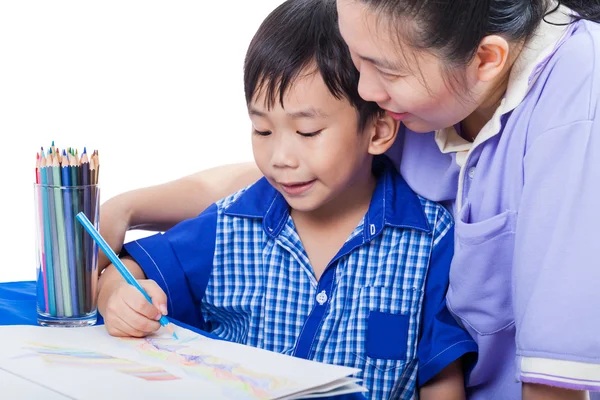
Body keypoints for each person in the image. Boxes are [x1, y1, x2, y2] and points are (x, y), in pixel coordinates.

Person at [99, 0, 600, 398]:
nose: (363, 86)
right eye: (261, 129)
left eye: (383, 69)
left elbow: (556, 366)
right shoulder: (411, 99)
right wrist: (127, 209)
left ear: (485, 60)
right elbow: (274, 175)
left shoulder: (573, 102)